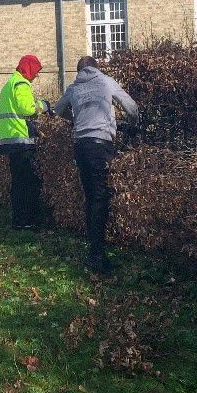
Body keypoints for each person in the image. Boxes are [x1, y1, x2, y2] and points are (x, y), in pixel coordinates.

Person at [53, 56, 138, 274]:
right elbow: (131, 108)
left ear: (79, 70)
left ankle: (94, 249)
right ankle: (97, 256)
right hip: (100, 146)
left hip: (80, 146)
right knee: (101, 197)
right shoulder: (106, 81)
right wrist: (133, 125)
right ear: (96, 68)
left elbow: (58, 109)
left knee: (91, 196)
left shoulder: (74, 88)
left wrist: (75, 118)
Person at [0, 54, 53, 230]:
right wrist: (44, 106)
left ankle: (19, 221)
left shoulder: (10, 83)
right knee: (28, 183)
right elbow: (27, 109)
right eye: (35, 71)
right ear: (28, 70)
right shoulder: (21, 84)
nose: (36, 75)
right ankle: (27, 221)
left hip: (10, 139)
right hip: (22, 141)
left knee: (18, 183)